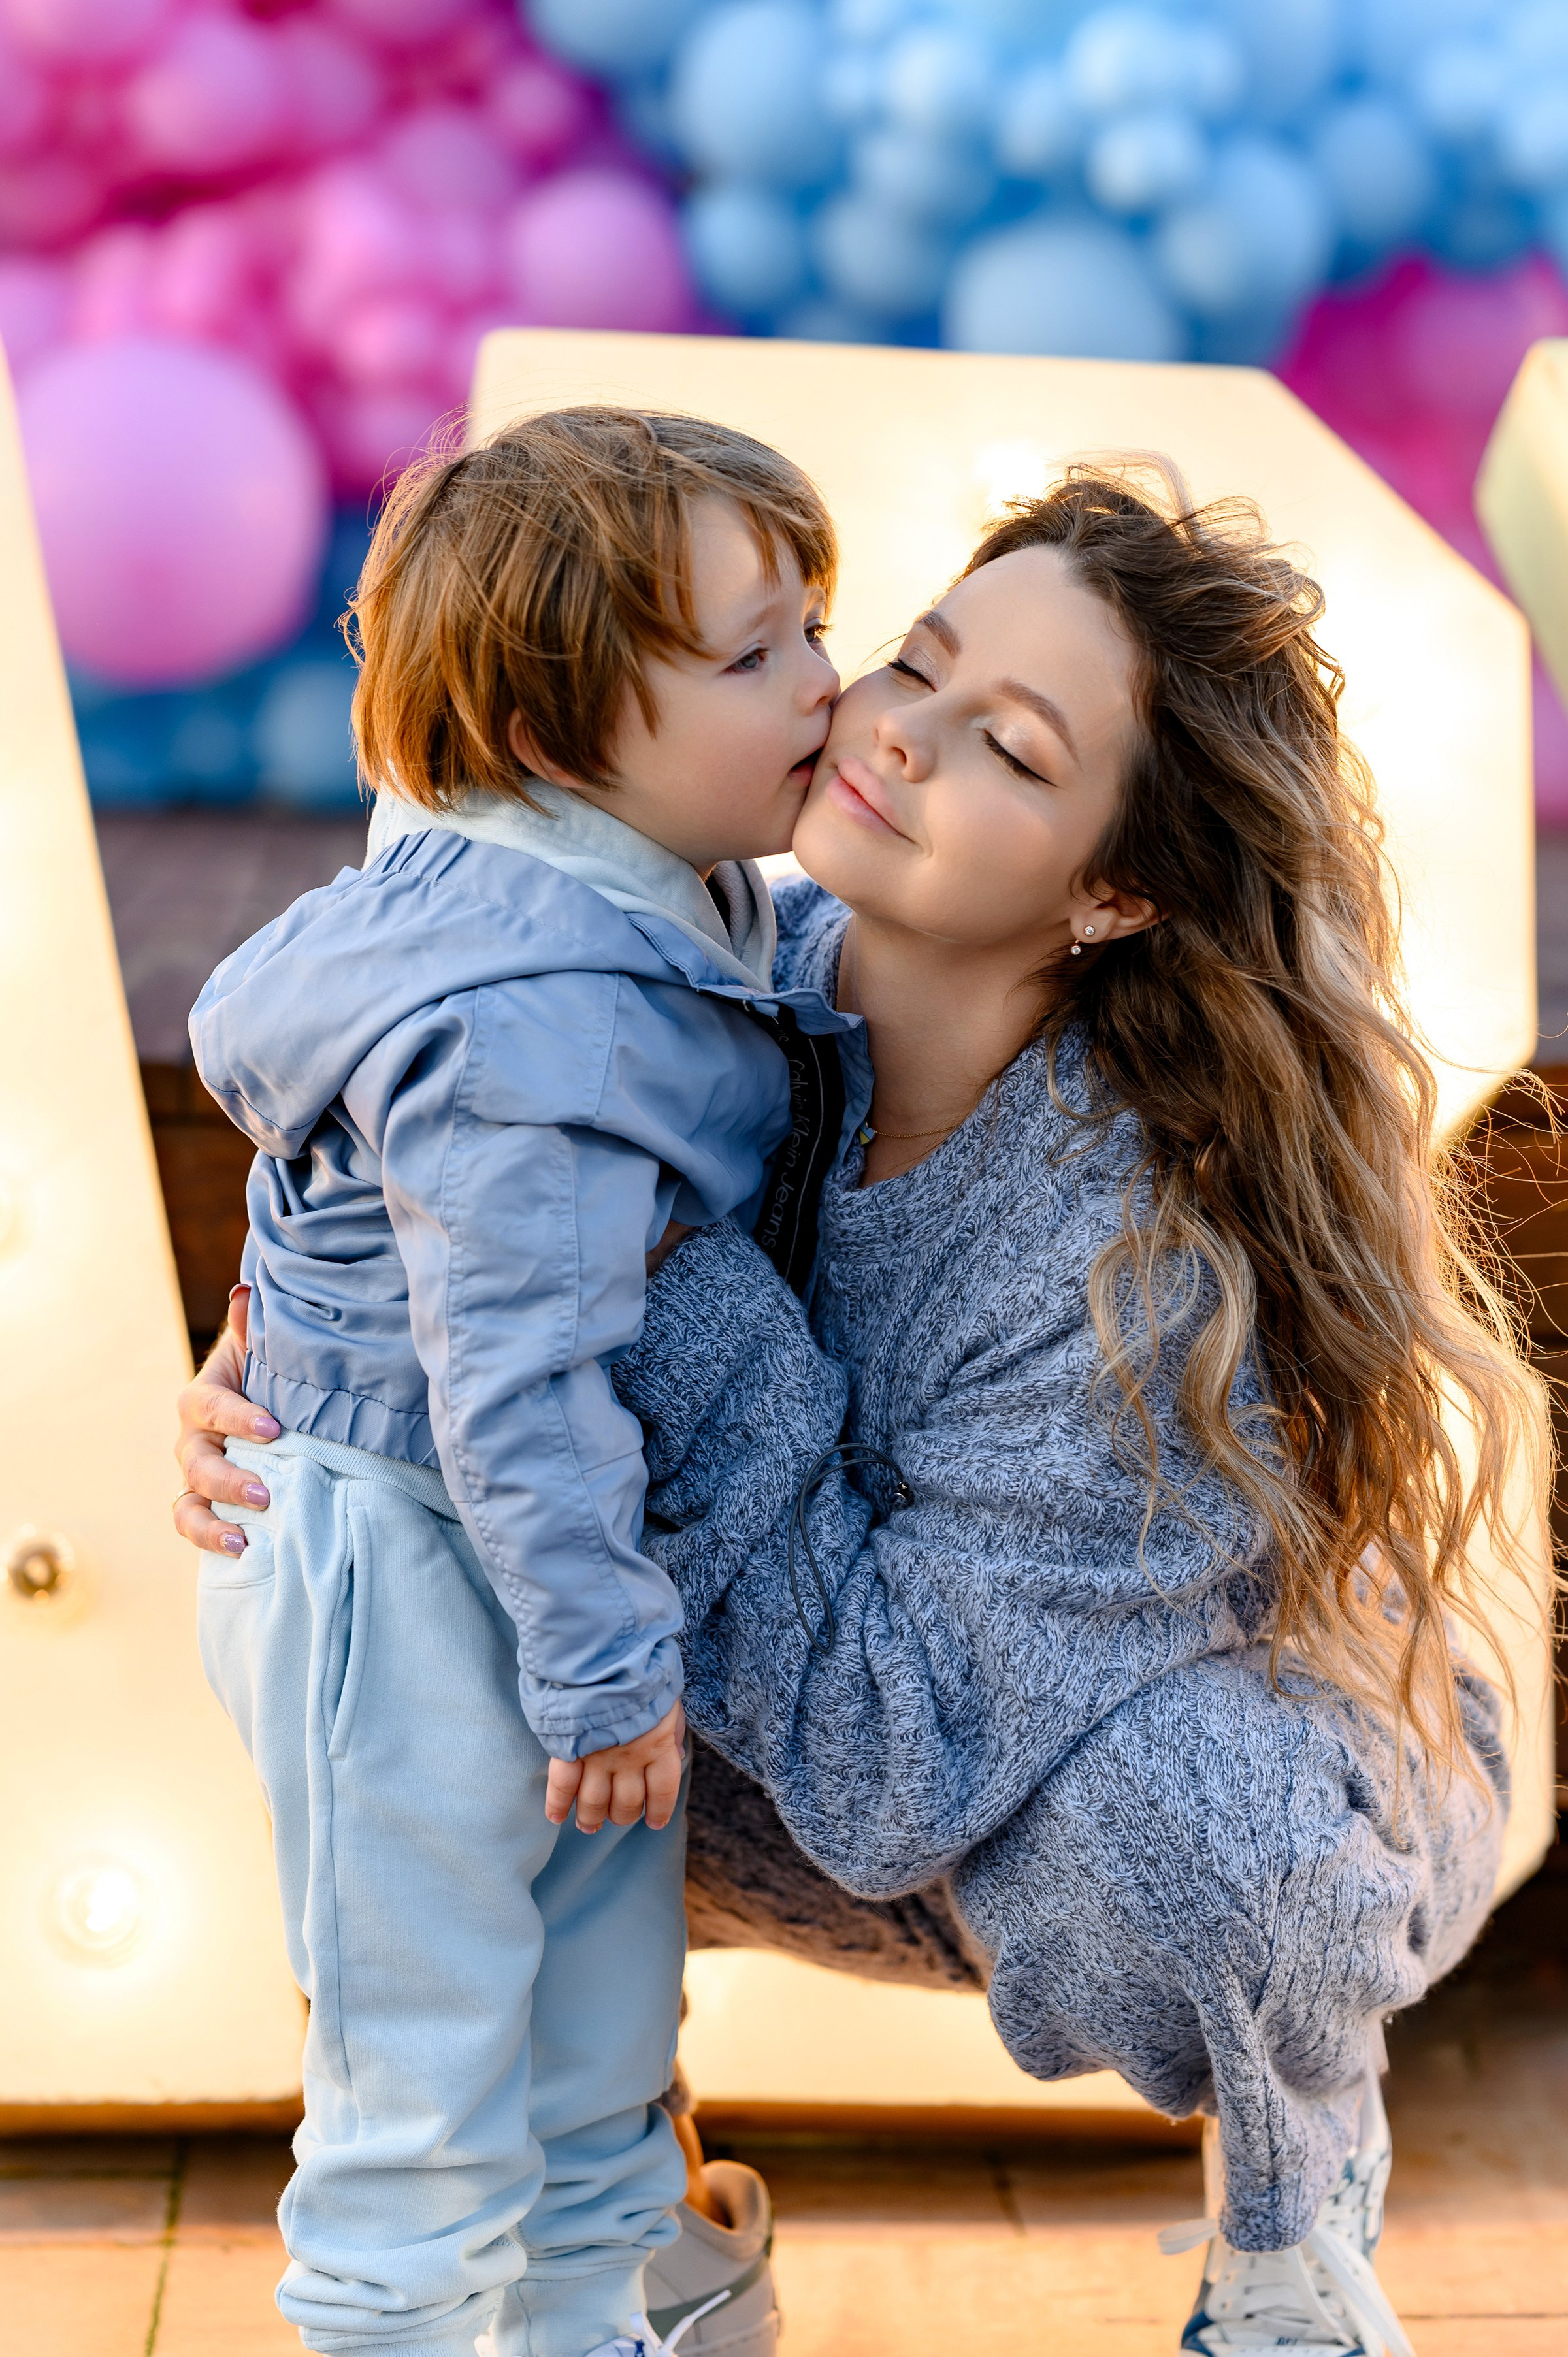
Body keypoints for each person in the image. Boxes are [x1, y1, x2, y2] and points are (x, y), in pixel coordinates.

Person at [177, 466, 1540, 2357]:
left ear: (1117, 888)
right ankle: (628, 2208)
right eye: (917, 658)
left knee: (1212, 1859)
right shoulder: (675, 959)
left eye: (1013, 751)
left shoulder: (1131, 1258)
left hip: (1094, 1769)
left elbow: (893, 1760)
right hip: (782, 1703)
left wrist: (638, 1273)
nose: (895, 733)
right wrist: (304, 1369)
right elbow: (397, 1127)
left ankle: (1293, 2231)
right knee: (398, 1636)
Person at [183, 406, 845, 2357]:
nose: (829, 684)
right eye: (757, 657)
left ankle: (594, 2309)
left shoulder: (626, 881)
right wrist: (601, 1666)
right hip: (423, 1572)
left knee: (592, 2066)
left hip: (535, 1563)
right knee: (422, 2084)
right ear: (562, 741)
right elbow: (515, 1372)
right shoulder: (529, 1021)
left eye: (820, 621)